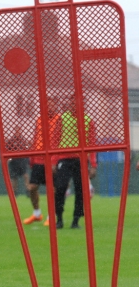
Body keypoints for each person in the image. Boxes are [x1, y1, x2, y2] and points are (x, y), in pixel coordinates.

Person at [53, 95, 97, 229]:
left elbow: (92, 144)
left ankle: (76, 220)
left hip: (80, 159)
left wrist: (93, 164)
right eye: (73, 103)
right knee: (60, 188)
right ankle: (59, 218)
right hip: (64, 159)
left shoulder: (88, 121)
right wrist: (53, 160)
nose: (75, 106)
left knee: (80, 190)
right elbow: (55, 140)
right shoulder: (62, 119)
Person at [22, 97, 61, 226]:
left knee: (53, 189)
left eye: (51, 105)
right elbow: (35, 138)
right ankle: (37, 213)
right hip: (38, 159)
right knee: (32, 187)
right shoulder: (39, 120)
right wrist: (32, 157)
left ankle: (51, 216)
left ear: (55, 107)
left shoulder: (58, 119)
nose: (49, 108)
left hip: (52, 159)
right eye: (47, 105)